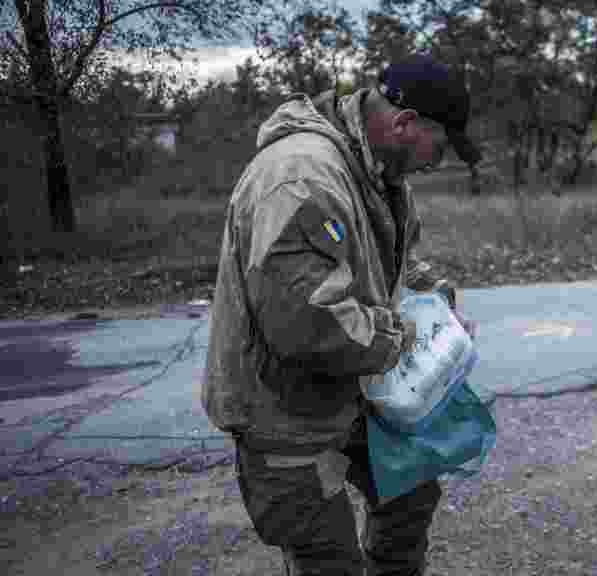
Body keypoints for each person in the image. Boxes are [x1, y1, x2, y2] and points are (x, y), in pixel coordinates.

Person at [202, 54, 480, 576]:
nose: (436, 163)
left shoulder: (376, 172)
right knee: (327, 559)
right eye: (438, 148)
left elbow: (392, 265)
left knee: (413, 491)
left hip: (351, 390)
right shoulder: (301, 178)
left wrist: (435, 303)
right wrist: (407, 336)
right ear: (404, 123)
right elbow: (308, 327)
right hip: (284, 414)